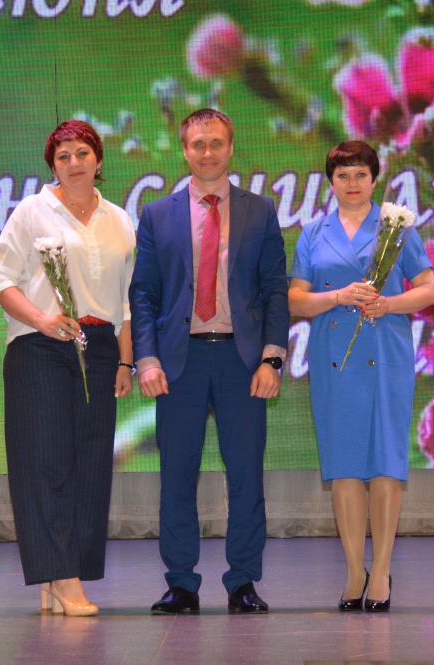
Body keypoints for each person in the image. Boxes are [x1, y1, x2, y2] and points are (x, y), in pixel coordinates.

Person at [129, 109, 289, 614]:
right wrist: (146, 360)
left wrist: (272, 360)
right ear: (184, 150)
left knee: (246, 476)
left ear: (231, 147)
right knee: (177, 476)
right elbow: (144, 295)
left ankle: (243, 582)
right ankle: (181, 583)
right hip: (180, 362)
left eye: (216, 142)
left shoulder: (260, 211)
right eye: (198, 144)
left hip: (243, 361)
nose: (208, 152)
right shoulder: (157, 214)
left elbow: (275, 291)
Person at [0, 120, 136, 617]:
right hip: (41, 345)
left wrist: (125, 359)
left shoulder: (119, 219)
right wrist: (41, 319)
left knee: (91, 466)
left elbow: (124, 302)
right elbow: (0, 280)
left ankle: (62, 577)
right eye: (63, 156)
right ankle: (62, 577)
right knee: (45, 463)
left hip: (100, 346)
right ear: (53, 165)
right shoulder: (32, 211)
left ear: (99, 159)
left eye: (82, 153)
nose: (74, 163)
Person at [287, 141, 434, 612]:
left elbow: (430, 289)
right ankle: (355, 571)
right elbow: (295, 300)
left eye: (360, 175)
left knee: (386, 463)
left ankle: (383, 570)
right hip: (334, 358)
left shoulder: (397, 228)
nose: (352, 183)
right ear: (330, 182)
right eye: (342, 175)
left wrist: (388, 304)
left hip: (387, 353)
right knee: (345, 466)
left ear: (375, 180)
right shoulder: (313, 233)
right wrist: (337, 297)